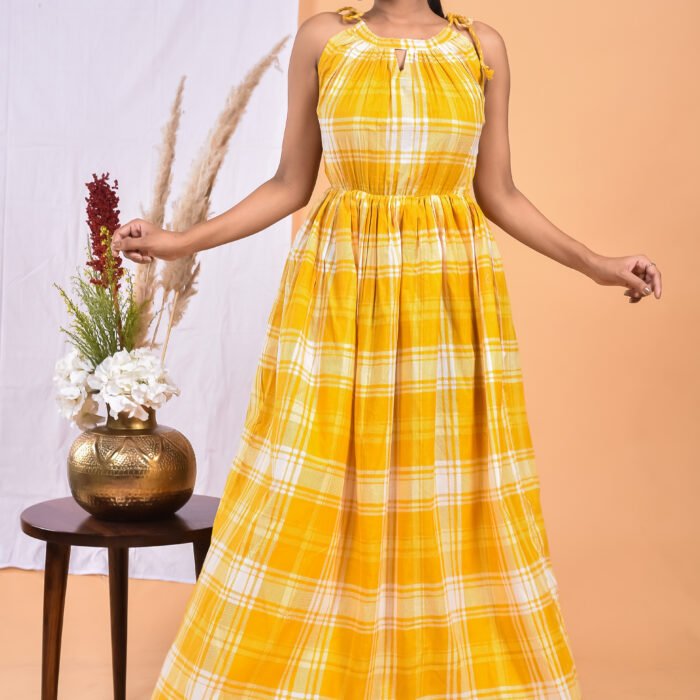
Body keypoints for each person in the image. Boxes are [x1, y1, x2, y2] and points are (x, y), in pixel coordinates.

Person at [112, 2, 662, 697]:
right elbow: (290, 184)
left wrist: (596, 262)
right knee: (310, 486)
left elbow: (499, 192)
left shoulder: (481, 49)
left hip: (447, 301)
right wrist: (178, 241)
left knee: (443, 494)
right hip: (339, 294)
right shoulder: (325, 41)